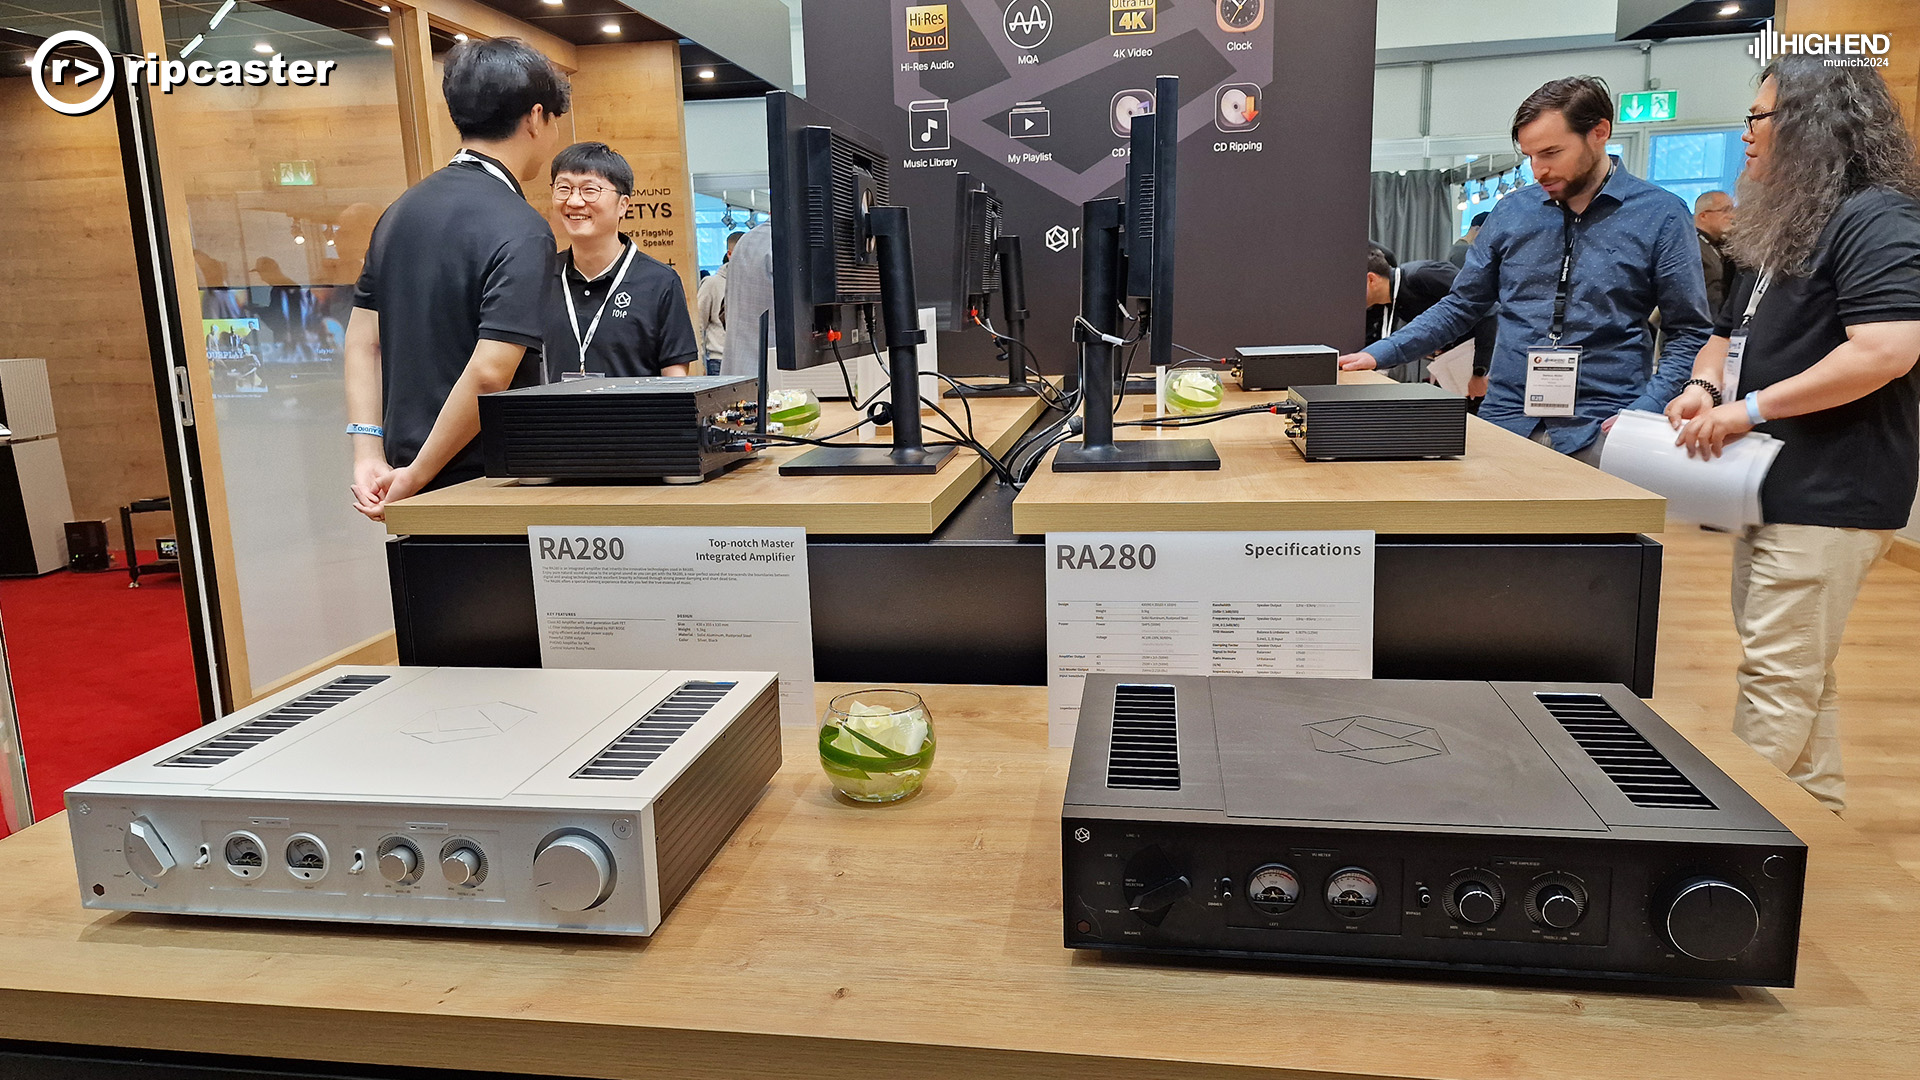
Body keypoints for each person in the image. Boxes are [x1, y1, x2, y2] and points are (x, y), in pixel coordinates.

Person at [1665, 56, 1920, 814]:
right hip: (1772, 488)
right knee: (1801, 677)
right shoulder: (1786, 220)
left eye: (1758, 118)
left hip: (1832, 490)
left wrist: (1749, 411)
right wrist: (1704, 388)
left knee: (1777, 685)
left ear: (1810, 125)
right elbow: (1724, 335)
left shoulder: (1879, 217)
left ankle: (1733, 854)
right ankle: (1819, 832)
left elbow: (1886, 350)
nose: (1745, 136)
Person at [1339, 76, 1710, 465]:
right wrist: (1380, 354)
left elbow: (1689, 330)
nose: (1538, 170)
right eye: (1530, 156)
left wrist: (1646, 409)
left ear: (1600, 132)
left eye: (1551, 153)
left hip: (1605, 426)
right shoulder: (1512, 212)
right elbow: (1462, 304)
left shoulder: (1661, 214)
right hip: (1506, 421)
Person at [345, 38, 568, 519]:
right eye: (554, 121)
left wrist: (369, 455)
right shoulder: (523, 227)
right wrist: (418, 475)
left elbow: (364, 341)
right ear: (535, 118)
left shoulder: (399, 211)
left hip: (403, 476)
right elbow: (491, 373)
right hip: (488, 485)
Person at [543, 142, 697, 381]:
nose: (574, 202)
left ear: (623, 204)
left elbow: (675, 381)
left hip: (635, 419)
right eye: (564, 188)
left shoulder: (660, 282)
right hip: (554, 419)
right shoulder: (541, 276)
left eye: (589, 190)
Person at [1363, 243, 1493, 403]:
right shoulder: (1388, 302)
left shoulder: (1422, 275)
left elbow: (1489, 310)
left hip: (1484, 361)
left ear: (1371, 279)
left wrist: (1480, 369)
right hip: (1453, 365)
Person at [696, 231, 743, 375]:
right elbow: (698, 323)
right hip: (720, 360)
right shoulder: (713, 283)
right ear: (729, 254)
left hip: (751, 359)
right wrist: (699, 361)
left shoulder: (755, 282)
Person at [1694, 190, 1737, 315]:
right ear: (1703, 216)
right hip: (1699, 322)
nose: (1732, 216)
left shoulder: (1724, 246)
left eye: (1733, 210)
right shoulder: (1690, 246)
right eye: (1725, 210)